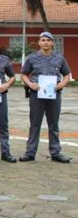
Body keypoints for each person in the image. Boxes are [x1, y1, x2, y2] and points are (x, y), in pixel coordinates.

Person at [19, 32, 72, 163]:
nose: (45, 42)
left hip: (54, 95)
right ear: (39, 43)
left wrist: (61, 84)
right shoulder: (32, 58)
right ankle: (30, 153)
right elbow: (24, 74)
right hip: (36, 95)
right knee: (35, 124)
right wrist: (31, 84)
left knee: (53, 125)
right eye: (43, 40)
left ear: (52, 43)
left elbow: (66, 75)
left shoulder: (60, 58)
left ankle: (55, 152)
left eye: (48, 40)